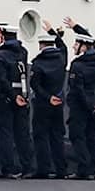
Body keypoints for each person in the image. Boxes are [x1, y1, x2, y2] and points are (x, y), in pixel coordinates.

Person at [0, 25, 31, 178]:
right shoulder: (23, 52)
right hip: (22, 96)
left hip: (6, 98)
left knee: (5, 132)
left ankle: (6, 167)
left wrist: (12, 96)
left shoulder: (2, 55)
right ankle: (27, 166)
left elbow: (2, 79)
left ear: (2, 37)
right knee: (22, 133)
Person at [29, 26, 69, 180]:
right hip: (58, 103)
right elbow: (63, 46)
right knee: (57, 136)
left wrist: (47, 98)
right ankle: (61, 169)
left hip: (43, 104)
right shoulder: (61, 59)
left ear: (41, 45)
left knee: (41, 136)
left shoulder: (39, 63)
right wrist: (53, 32)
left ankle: (43, 169)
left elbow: (35, 85)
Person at [68, 22, 95, 175]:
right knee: (92, 136)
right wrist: (77, 27)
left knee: (77, 136)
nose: (73, 46)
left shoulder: (78, 65)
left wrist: (86, 105)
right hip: (92, 103)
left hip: (80, 105)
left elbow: (78, 89)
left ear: (83, 46)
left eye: (76, 43)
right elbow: (94, 41)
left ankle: (84, 168)